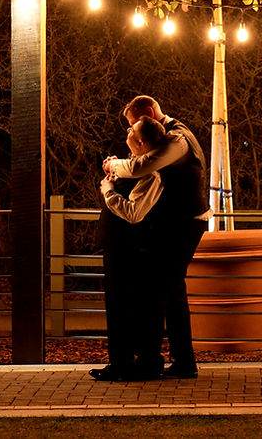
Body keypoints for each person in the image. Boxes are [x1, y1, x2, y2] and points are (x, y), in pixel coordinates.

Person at [103, 95, 210, 379]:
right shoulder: (170, 137)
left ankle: (152, 360)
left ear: (148, 114)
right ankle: (183, 361)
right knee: (172, 292)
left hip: (185, 222)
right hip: (181, 221)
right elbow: (142, 161)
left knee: (158, 291)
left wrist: (113, 168)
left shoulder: (178, 140)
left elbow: (142, 167)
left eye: (133, 124)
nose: (132, 131)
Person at [90, 116, 171, 382]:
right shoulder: (132, 168)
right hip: (122, 247)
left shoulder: (151, 175)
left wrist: (107, 190)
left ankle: (129, 362)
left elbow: (134, 213)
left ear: (141, 141)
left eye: (132, 128)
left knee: (124, 306)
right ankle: (129, 361)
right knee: (123, 305)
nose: (128, 128)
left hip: (130, 249)